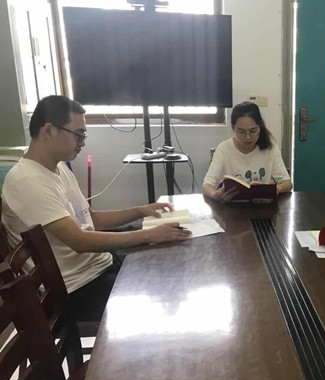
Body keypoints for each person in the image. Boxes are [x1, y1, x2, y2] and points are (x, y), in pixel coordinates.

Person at [1, 95, 191, 320]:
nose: (82, 142)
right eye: (79, 134)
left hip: (98, 266)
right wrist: (149, 234)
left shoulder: (59, 168)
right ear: (49, 130)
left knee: (170, 260)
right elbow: (79, 241)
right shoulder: (26, 181)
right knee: (166, 288)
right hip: (78, 289)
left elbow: (91, 219)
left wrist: (141, 211)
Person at [202, 102, 292, 202]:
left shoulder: (270, 148)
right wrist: (215, 195)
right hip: (232, 207)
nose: (248, 137)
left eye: (253, 131)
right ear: (233, 128)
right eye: (242, 132)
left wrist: (278, 188)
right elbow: (207, 185)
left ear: (260, 127)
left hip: (262, 207)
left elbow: (288, 183)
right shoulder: (224, 149)